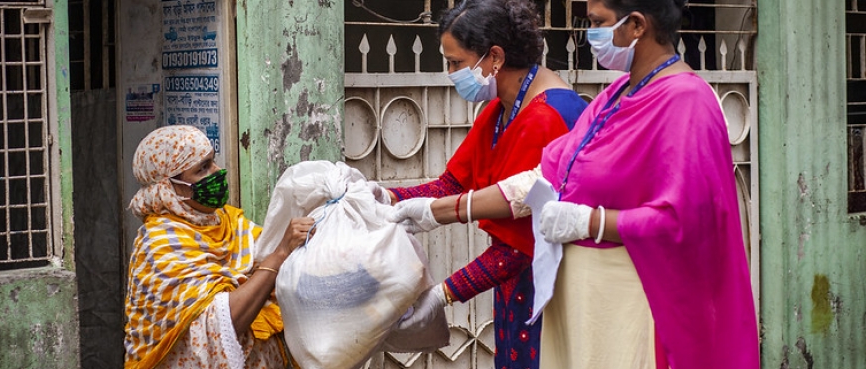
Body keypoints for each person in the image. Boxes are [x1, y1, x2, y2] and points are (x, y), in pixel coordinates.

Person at [387, 0, 760, 368]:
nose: (588, 35)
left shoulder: (687, 101)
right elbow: (546, 179)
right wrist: (415, 205)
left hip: (638, 303)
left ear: (636, 25)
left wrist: (589, 223)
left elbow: (685, 222)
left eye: (598, 22)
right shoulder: (614, 98)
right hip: (586, 307)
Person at [380, 0, 587, 367]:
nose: (450, 73)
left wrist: (443, 294)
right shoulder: (500, 109)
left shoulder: (547, 116)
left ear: (494, 57)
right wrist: (381, 196)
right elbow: (450, 186)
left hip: (550, 285)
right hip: (518, 289)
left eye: (456, 63)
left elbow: (517, 250)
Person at [123, 125, 315, 369]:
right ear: (169, 187)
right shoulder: (160, 243)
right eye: (202, 169)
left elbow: (276, 255)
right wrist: (279, 256)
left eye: (212, 162)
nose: (217, 171)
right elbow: (225, 322)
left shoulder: (227, 222)